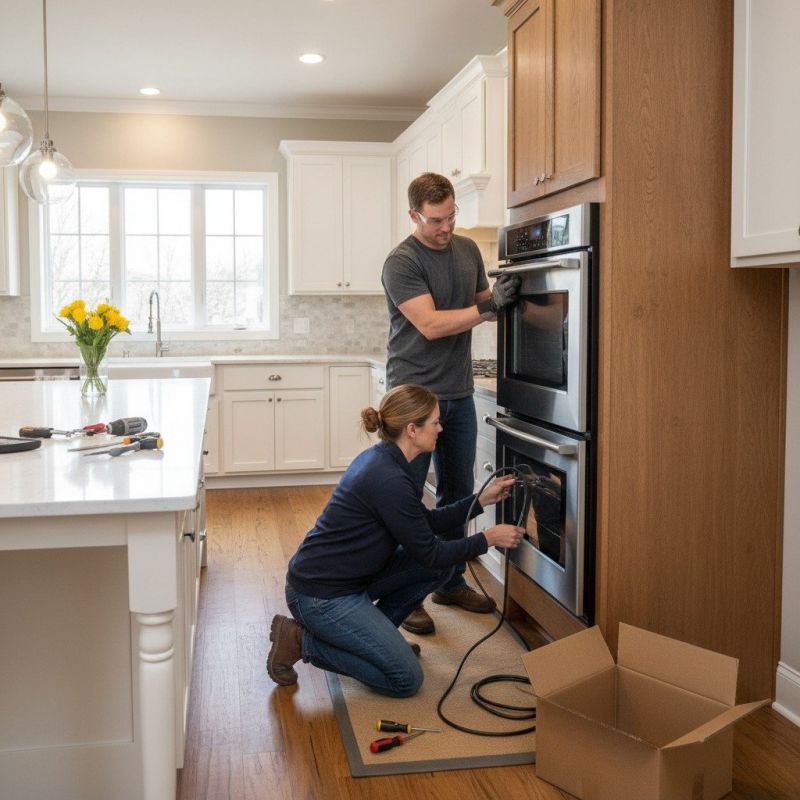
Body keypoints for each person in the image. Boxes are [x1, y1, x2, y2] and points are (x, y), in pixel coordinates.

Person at [266, 384, 524, 697]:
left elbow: (424, 525)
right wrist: (488, 538)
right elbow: (429, 551)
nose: (441, 428)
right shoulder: (388, 478)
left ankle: (379, 642)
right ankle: (299, 640)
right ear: (412, 430)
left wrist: (480, 500)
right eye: (435, 423)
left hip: (349, 580)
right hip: (321, 596)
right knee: (405, 679)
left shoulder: (388, 462)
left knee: (440, 570)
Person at [381, 172, 520, 636]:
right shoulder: (401, 262)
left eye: (451, 216)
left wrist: (508, 293)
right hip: (414, 399)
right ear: (414, 215)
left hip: (458, 392)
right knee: (405, 501)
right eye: (436, 220)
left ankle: (449, 581)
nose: (445, 227)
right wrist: (487, 309)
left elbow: (482, 298)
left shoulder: (466, 251)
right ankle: (405, 595)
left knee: (459, 494)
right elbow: (432, 325)